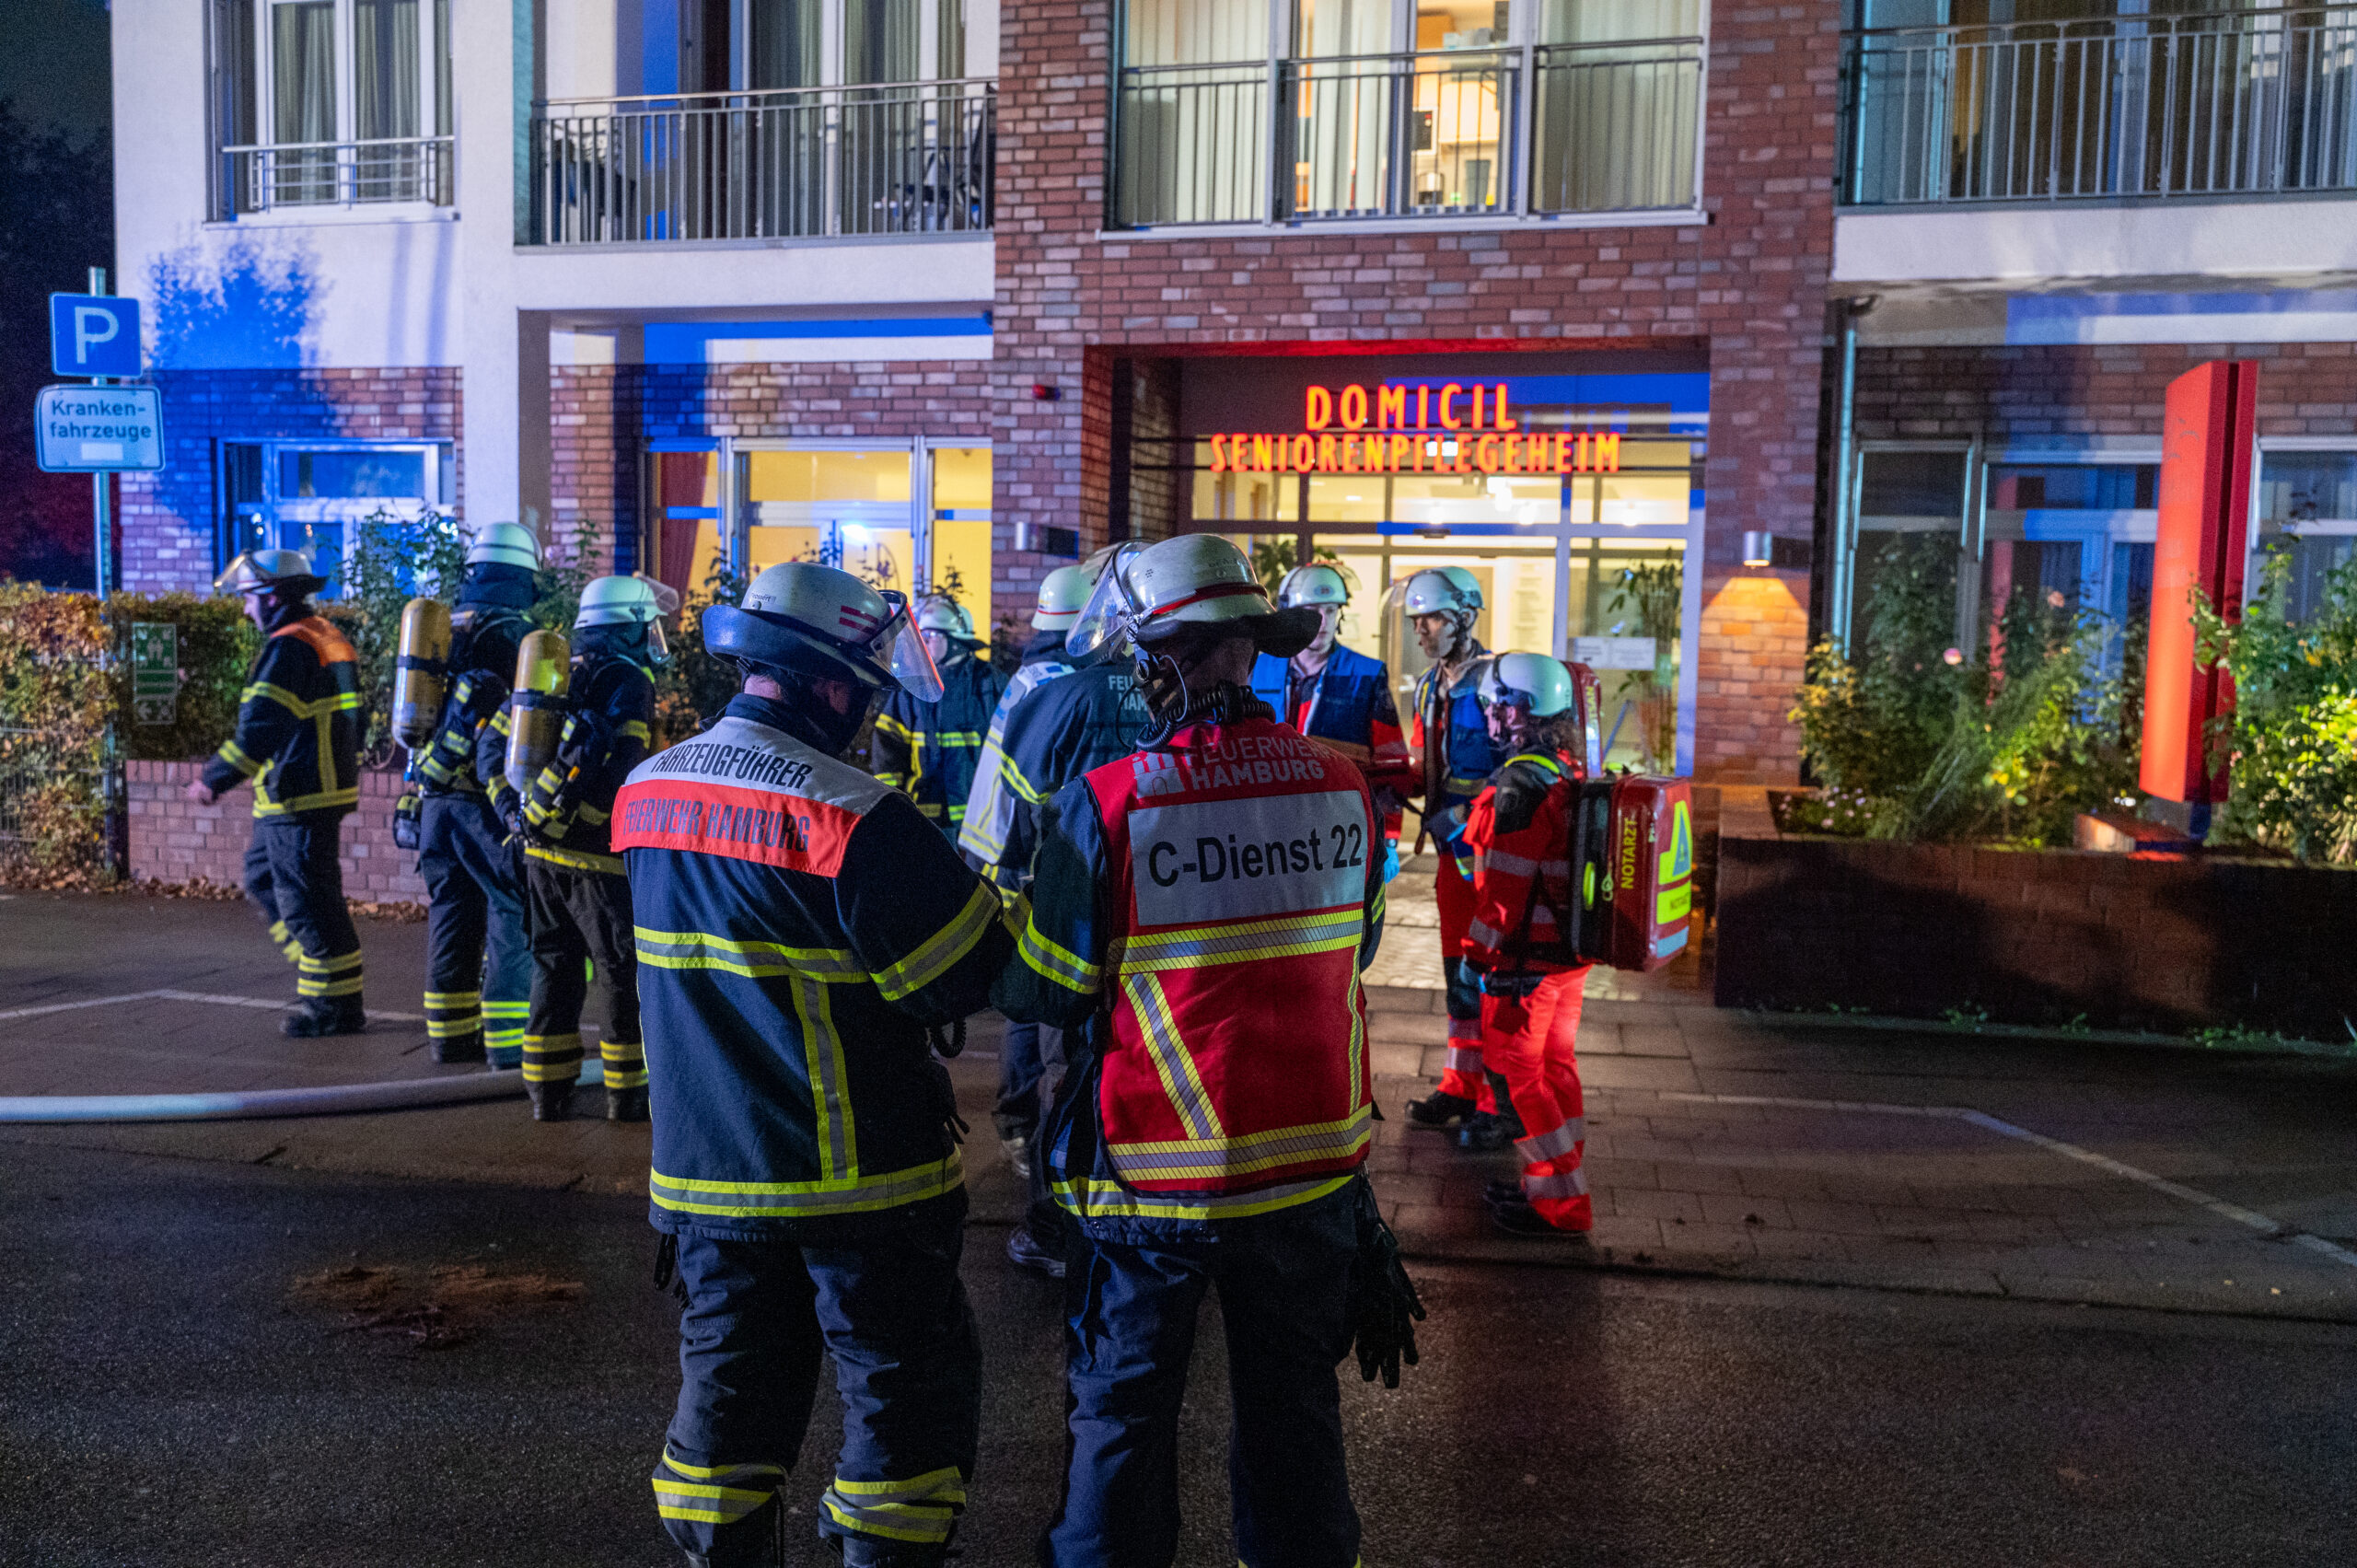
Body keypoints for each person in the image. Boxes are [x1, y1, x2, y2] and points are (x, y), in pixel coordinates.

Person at [995, 533, 1383, 1568]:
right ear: (1249, 649)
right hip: (1310, 1170)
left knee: (1121, 1415)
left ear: (1157, 658)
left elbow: (1047, 986)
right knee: (1294, 1412)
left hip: (1153, 1176)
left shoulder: (1112, 800)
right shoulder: (1344, 789)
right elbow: (1362, 945)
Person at [613, 561, 1012, 1568]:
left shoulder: (646, 790)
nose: (871, 713)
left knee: (731, 1395)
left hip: (705, 1174)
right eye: (867, 691)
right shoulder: (857, 815)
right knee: (900, 1396)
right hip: (859, 1175)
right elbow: (965, 974)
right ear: (831, 684)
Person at [964, 575, 1153, 1281]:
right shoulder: (1185, 701)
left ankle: (1055, 1222)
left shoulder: (1054, 699)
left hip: (1066, 915)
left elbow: (1003, 828)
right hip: (1161, 925)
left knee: (1068, 1066)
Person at [482, 575, 664, 1122]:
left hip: (538, 852)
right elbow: (625, 765)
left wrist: (517, 812)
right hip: (597, 859)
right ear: (627, 625)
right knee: (618, 972)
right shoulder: (627, 678)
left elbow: (489, 744)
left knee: (553, 968)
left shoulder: (553, 670)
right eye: (645, 626)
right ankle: (627, 1094)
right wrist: (585, 820)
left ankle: (547, 1093)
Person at [955, 564, 1092, 1238]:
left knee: (1029, 1008)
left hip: (1022, 874)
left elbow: (995, 788)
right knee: (1048, 1031)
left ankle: (1020, 1127)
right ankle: (1039, 1159)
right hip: (1051, 881)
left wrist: (988, 863)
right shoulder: (1063, 687)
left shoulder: (1028, 682)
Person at [187, 550, 366, 1038]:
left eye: (248, 599)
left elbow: (260, 727)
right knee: (266, 880)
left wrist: (213, 779)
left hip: (299, 795)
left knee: (309, 905)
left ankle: (331, 1006)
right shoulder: (326, 636)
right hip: (307, 791)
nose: (245, 610)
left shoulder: (289, 647)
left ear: (270, 597)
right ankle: (331, 987)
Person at [1458, 653, 1597, 1237]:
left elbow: (1503, 892)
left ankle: (1562, 1204)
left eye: (1495, 705)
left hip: (1526, 964)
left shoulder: (1518, 784)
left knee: (1522, 1077)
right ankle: (1554, 1186)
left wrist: (1476, 956)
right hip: (1566, 958)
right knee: (1556, 1069)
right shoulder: (1564, 768)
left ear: (1521, 710)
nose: (1489, 716)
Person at [412, 522, 540, 1066]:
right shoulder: (512, 637)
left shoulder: (446, 628)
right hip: (482, 803)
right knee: (512, 907)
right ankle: (508, 1049)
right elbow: (520, 725)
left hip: (433, 798)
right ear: (521, 578)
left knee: (452, 912)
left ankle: (449, 1037)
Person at [1397, 565, 1513, 1146]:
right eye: (1417, 620)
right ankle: (1460, 1086)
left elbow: (1518, 776)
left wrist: (1467, 816)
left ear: (1466, 617)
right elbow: (1423, 766)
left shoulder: (1499, 684)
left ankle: (1497, 1102)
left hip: (1493, 860)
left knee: (1494, 978)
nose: (1423, 630)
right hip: (1451, 860)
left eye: (1434, 618)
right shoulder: (1427, 685)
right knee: (1458, 976)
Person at [1250, 562, 1415, 846]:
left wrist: (1387, 838)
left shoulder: (1367, 673)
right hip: (1267, 824)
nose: (1325, 622)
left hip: (1339, 827)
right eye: (1314, 612)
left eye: (1331, 610)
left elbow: (1392, 764)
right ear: (1291, 615)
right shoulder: (1257, 669)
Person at [870, 594, 1005, 838]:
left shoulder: (989, 683)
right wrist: (892, 808)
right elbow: (887, 749)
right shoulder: (914, 687)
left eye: (931, 636)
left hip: (982, 822)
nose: (924, 643)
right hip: (923, 821)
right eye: (922, 635)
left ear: (955, 641)